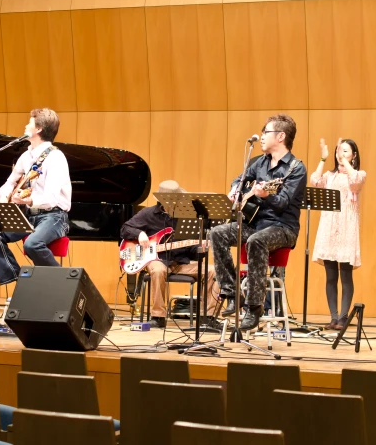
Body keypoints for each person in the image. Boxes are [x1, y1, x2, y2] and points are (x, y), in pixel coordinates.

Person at [210, 114, 307, 331]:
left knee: (256, 240)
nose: (262, 137)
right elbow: (240, 178)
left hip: (283, 228)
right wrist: (236, 188)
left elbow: (283, 203)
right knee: (217, 232)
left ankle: (254, 307)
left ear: (281, 136)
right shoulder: (259, 162)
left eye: (266, 133)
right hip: (255, 222)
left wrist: (266, 196)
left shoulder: (296, 168)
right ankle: (232, 293)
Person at [0, 108, 71, 283]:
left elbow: (51, 198)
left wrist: (29, 200)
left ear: (38, 129)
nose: (25, 125)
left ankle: (62, 282)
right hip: (30, 216)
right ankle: (15, 278)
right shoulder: (26, 156)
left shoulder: (55, 157)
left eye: (29, 122)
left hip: (54, 216)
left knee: (32, 244)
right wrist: (4, 202)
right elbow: (8, 185)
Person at [120, 180, 221, 329]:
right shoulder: (148, 214)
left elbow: (191, 252)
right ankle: (158, 317)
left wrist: (202, 249)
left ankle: (207, 317)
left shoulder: (186, 217)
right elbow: (124, 228)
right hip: (157, 260)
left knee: (213, 271)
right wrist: (139, 233)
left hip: (179, 262)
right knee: (159, 270)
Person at [310, 138, 366, 330]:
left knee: (346, 275)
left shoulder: (358, 174)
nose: (341, 154)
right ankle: (333, 317)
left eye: (346, 151)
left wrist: (346, 164)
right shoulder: (330, 176)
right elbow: (315, 181)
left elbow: (356, 181)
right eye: (338, 151)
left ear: (354, 155)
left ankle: (343, 317)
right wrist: (323, 159)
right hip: (329, 227)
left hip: (347, 228)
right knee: (331, 276)